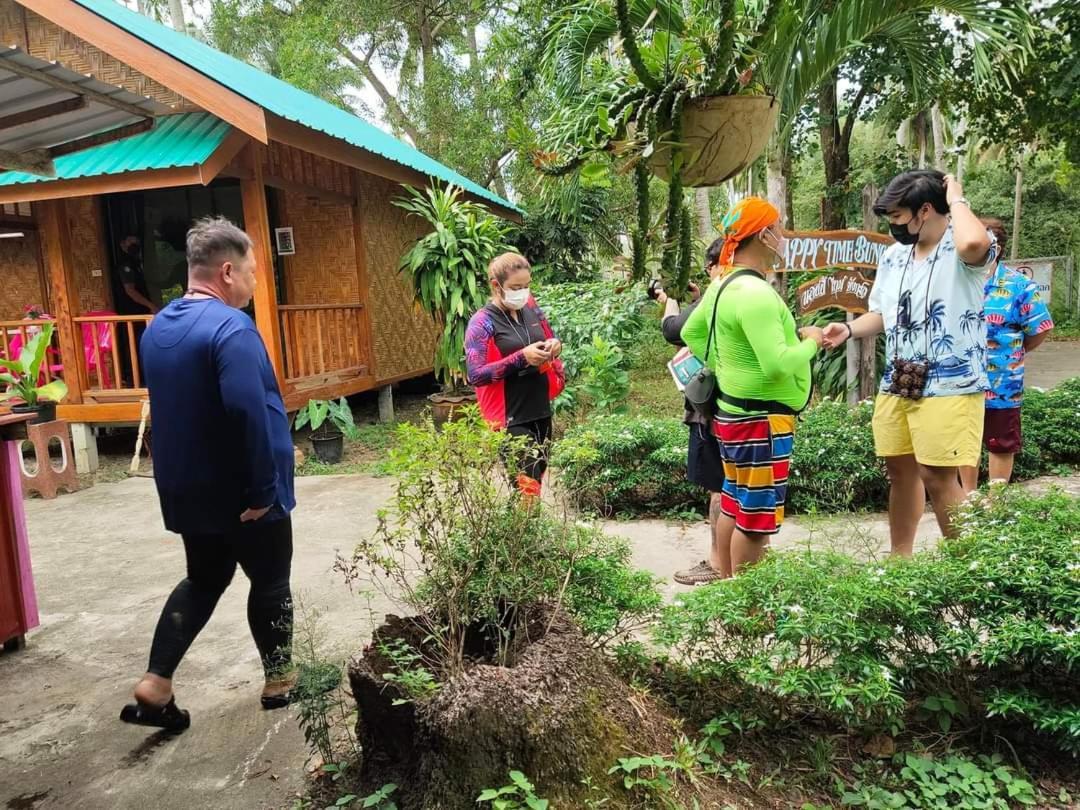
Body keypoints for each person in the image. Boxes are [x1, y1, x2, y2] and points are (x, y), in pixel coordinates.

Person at [121, 217, 296, 732]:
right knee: (270, 580)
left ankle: (156, 683)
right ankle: (279, 679)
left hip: (187, 491)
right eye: (252, 272)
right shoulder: (231, 328)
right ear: (226, 272)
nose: (255, 281)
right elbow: (249, 412)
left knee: (204, 578)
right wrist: (265, 489)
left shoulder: (159, 329)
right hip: (243, 491)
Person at [822, 170, 993, 555]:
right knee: (900, 472)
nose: (894, 226)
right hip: (899, 381)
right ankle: (900, 560)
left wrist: (957, 196)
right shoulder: (894, 256)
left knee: (938, 476)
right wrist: (848, 331)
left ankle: (969, 570)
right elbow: (883, 313)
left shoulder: (963, 249)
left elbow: (974, 241)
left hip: (950, 383)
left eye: (898, 217)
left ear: (926, 210)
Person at [681, 198, 824, 574]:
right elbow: (778, 366)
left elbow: (690, 331)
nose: (783, 235)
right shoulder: (757, 293)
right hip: (762, 422)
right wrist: (813, 340)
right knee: (756, 522)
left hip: (734, 416)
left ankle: (729, 591)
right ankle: (749, 608)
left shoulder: (722, 285)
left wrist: (728, 365)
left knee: (735, 501)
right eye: (779, 229)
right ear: (764, 235)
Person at [959, 218, 1054, 491]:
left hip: (1003, 381)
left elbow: (1040, 328)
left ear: (995, 248)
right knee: (965, 440)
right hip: (960, 379)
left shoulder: (1019, 286)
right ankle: (968, 499)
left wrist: (1015, 352)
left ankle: (995, 503)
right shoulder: (957, 283)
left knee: (1000, 441)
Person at [656, 247, 732, 585]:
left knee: (719, 487)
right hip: (744, 404)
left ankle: (718, 563)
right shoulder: (753, 289)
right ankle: (743, 560)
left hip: (713, 407)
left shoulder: (723, 292)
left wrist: (669, 306)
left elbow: (674, 330)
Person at [465, 253, 565, 499]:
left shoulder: (531, 308)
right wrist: (521, 358)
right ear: (496, 286)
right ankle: (523, 534)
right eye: (515, 287)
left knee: (535, 481)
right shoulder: (482, 323)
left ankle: (524, 533)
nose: (523, 292)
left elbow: (549, 336)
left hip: (540, 410)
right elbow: (475, 374)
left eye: (527, 286)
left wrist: (554, 345)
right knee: (526, 488)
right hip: (509, 418)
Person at [116, 235, 159, 315]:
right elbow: (130, 290)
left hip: (142, 309)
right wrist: (151, 306)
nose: (133, 244)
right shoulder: (125, 264)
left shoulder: (136, 263)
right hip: (132, 311)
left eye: (136, 241)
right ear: (122, 244)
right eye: (130, 241)